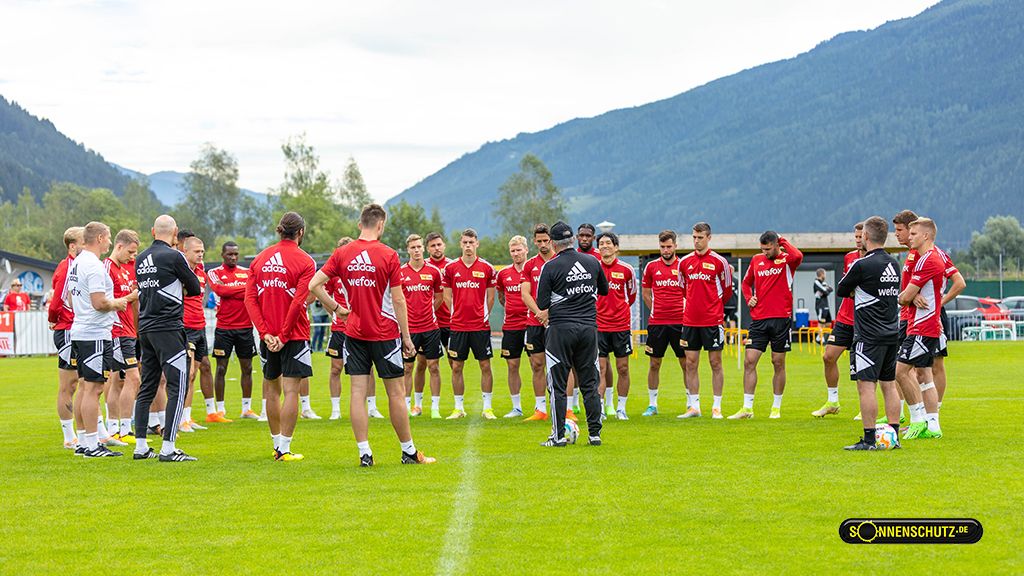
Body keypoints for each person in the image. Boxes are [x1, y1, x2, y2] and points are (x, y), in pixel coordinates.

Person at [310, 203, 436, 466]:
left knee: (357, 392)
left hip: (354, 333)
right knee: (396, 393)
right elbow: (399, 300)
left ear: (360, 224)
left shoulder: (342, 253)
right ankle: (409, 452)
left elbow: (314, 285)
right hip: (385, 333)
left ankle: (365, 453)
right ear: (380, 225)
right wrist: (407, 337)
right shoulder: (388, 254)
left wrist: (337, 309)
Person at [245, 212, 317, 461]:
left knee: (271, 390)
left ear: (279, 231)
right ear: (300, 232)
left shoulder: (259, 259)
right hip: (293, 335)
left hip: (267, 337)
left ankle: (276, 444)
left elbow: (249, 300)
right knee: (291, 391)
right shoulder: (306, 261)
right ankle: (284, 448)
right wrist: (284, 335)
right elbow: (299, 303)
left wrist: (265, 333)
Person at [132, 215, 202, 462]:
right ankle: (168, 448)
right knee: (177, 385)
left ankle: (140, 446)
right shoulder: (175, 256)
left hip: (146, 328)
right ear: (174, 233)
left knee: (147, 386)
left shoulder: (140, 259)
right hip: (169, 328)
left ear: (152, 231)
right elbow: (195, 288)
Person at [536, 221, 609, 446]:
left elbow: (542, 303)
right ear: (574, 240)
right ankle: (595, 434)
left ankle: (557, 437)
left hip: (560, 331)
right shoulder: (592, 261)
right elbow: (604, 290)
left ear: (553, 243)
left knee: (558, 386)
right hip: (588, 329)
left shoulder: (549, 266)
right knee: (589, 383)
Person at [835, 216, 903, 450]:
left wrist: (857, 290)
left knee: (866, 386)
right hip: (891, 333)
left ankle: (869, 439)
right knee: (890, 385)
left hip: (868, 336)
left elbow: (842, 289)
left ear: (865, 236)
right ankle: (893, 437)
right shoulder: (894, 263)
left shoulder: (861, 264)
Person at [67, 221, 129, 457]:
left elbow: (72, 301)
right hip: (94, 332)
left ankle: (84, 440)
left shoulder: (77, 263)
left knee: (85, 387)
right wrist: (119, 303)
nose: (111, 242)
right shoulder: (93, 265)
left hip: (82, 329)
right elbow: (99, 302)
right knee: (94, 389)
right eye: (109, 237)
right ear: (101, 238)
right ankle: (92, 444)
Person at [731, 231, 803, 419]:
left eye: (768, 249)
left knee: (777, 362)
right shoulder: (756, 260)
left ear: (777, 245)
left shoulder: (788, 260)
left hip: (781, 319)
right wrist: (749, 298)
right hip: (759, 320)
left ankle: (776, 407)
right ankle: (747, 408)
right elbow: (746, 284)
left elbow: (798, 256)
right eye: (762, 249)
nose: (765, 252)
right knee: (749, 361)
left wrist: (782, 240)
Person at [895, 217, 946, 440]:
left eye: (913, 233)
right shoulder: (925, 258)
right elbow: (911, 294)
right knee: (924, 375)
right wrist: (910, 295)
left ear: (925, 236)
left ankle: (917, 420)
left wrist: (905, 296)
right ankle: (932, 425)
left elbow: (904, 297)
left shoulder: (929, 260)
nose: (909, 237)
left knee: (900, 371)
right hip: (924, 326)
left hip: (922, 327)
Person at [677, 222, 732, 419]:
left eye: (700, 237)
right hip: (690, 321)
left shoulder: (720, 262)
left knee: (715, 362)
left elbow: (726, 291)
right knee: (690, 363)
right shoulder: (684, 262)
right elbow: (683, 288)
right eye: (694, 237)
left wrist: (712, 307)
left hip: (712, 321)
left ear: (709, 238)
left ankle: (716, 406)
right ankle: (694, 406)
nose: (696, 241)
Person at [442, 228, 497, 419]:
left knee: (485, 366)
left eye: (471, 242)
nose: (468, 246)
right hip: (457, 326)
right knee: (456, 367)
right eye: (465, 242)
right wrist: (455, 313)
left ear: (477, 244)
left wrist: (483, 316)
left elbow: (491, 298)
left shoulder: (487, 268)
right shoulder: (450, 269)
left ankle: (487, 408)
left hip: (480, 327)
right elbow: (447, 296)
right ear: (460, 244)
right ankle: (458, 408)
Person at [813, 222, 865, 418]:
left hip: (864, 321)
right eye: (856, 237)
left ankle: (864, 407)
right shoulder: (849, 257)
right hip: (845, 318)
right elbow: (845, 287)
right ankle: (832, 401)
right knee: (828, 357)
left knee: (861, 367)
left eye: (861, 237)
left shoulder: (875, 259)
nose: (858, 240)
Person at [207, 241, 257, 421]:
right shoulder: (214, 272)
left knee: (248, 368)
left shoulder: (247, 272)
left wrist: (230, 290)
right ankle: (220, 409)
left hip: (245, 327)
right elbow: (220, 290)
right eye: (230, 254)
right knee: (221, 369)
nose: (233, 257)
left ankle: (247, 408)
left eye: (236, 254)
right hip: (224, 328)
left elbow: (253, 291)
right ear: (222, 255)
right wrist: (241, 290)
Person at [640, 230, 685, 416]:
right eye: (662, 247)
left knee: (686, 363)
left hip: (681, 322)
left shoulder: (684, 265)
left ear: (675, 246)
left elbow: (690, 291)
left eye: (669, 246)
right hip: (657, 323)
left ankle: (692, 404)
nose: (665, 250)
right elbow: (645, 292)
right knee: (654, 364)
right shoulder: (651, 267)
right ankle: (652, 404)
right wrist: (655, 310)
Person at [399, 234, 444, 418]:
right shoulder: (401, 272)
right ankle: (410, 407)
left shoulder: (433, 272)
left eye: (419, 247)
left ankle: (435, 408)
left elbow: (439, 297)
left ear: (423, 249)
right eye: (413, 247)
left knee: (433, 366)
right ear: (408, 250)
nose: (416, 250)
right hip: (409, 330)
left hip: (430, 328)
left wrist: (428, 312)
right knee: (408, 368)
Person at [105, 229, 141, 443]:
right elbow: (105, 302)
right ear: (118, 246)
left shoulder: (127, 269)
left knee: (118, 380)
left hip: (129, 330)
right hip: (117, 331)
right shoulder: (107, 268)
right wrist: (130, 296)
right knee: (133, 377)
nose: (133, 256)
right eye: (130, 251)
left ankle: (114, 428)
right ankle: (125, 429)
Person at [50, 226, 84, 449]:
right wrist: (54, 319)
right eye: (84, 241)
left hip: (78, 329)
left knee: (86, 382)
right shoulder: (66, 267)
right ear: (73, 246)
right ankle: (68, 436)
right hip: (67, 330)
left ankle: (87, 432)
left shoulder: (80, 265)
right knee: (70, 384)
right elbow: (57, 301)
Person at [595, 232, 636, 420]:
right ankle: (601, 408)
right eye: (601, 243)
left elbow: (632, 295)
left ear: (616, 247)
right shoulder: (594, 268)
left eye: (608, 243)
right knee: (600, 369)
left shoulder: (627, 270)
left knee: (623, 368)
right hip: (599, 326)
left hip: (620, 326)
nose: (604, 246)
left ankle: (621, 408)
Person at [520, 223, 556, 421]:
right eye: (539, 241)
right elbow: (525, 293)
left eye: (546, 240)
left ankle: (566, 409)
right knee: (537, 364)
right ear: (534, 241)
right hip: (534, 322)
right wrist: (539, 313)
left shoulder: (559, 260)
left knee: (561, 365)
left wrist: (549, 313)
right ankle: (541, 409)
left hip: (557, 321)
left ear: (551, 240)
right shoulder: (529, 265)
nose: (542, 244)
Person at [180, 235, 215, 432]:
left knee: (193, 375)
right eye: (196, 251)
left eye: (202, 251)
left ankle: (187, 416)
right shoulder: (181, 272)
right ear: (186, 252)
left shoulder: (202, 272)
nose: (200, 255)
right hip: (185, 327)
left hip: (200, 325)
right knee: (188, 373)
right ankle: (179, 418)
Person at [496, 235, 530, 418]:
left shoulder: (533, 270)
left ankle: (541, 405)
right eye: (513, 250)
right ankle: (516, 407)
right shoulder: (503, 274)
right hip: (511, 325)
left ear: (526, 250)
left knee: (538, 364)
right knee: (512, 365)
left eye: (519, 249)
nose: (516, 253)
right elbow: (501, 296)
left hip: (532, 324)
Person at [324, 236, 354, 421]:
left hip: (358, 327)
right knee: (336, 368)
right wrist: (334, 313)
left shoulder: (359, 271)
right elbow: (322, 293)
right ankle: (336, 409)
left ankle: (372, 407)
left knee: (365, 369)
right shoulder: (332, 273)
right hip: (339, 329)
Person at [425, 232, 454, 355]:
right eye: (433, 246)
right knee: (423, 364)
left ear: (444, 245)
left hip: (449, 321)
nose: (436, 248)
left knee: (455, 362)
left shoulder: (453, 266)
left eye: (439, 244)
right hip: (429, 322)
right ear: (427, 249)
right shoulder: (423, 266)